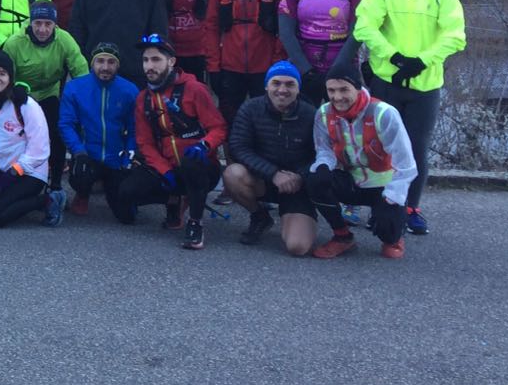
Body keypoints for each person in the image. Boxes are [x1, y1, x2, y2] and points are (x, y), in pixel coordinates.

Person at [353, 0, 465, 235]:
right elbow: (364, 25)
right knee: (379, 148)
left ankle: (410, 208)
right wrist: (394, 56)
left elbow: (455, 35)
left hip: (425, 84)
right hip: (386, 80)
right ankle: (381, 207)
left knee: (415, 149)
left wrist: (422, 60)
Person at [120, 36, 228, 250]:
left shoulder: (194, 89)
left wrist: (204, 145)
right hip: (168, 167)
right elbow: (145, 142)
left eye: (156, 60)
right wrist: (164, 170)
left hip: (200, 164)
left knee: (191, 165)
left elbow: (219, 128)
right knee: (126, 191)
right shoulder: (144, 98)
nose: (149, 66)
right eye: (145, 60)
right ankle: (174, 200)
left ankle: (195, 223)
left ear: (171, 62)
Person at [307, 64, 417, 259]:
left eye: (344, 90)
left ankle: (393, 235)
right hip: (349, 180)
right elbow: (323, 150)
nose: (337, 97)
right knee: (315, 179)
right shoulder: (323, 113)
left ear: (357, 88)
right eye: (331, 90)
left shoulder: (384, 113)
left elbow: (406, 164)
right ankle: (342, 237)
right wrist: (323, 166)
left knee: (389, 240)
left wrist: (392, 196)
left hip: (382, 186)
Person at [2, 0, 90, 222]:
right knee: (20, 138)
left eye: (48, 24)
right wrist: (14, 93)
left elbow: (81, 73)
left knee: (57, 134)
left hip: (50, 93)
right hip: (21, 95)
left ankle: (55, 185)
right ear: (30, 23)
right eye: (38, 23)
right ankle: (17, 179)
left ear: (55, 25)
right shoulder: (14, 43)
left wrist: (80, 102)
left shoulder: (65, 40)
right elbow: (2, 75)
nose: (42, 29)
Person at [223, 61, 317, 250]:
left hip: (297, 185)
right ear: (266, 85)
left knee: (297, 248)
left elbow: (322, 155)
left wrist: (300, 176)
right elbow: (238, 147)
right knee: (232, 173)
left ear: (299, 88)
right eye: (276, 83)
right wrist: (273, 174)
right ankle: (259, 216)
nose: (282, 90)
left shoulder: (311, 114)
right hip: (264, 179)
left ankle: (294, 217)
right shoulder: (250, 108)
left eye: (290, 84)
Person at [0, 50, 52, 229]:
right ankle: (4, 198)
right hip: (1, 166)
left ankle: (46, 201)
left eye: (2, 74)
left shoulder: (26, 105)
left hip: (30, 172)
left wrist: (14, 172)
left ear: (10, 78)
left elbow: (40, 150)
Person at [59, 42, 138, 217]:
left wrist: (129, 157)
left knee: (127, 216)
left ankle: (112, 188)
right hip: (88, 155)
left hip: (116, 158)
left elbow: (135, 129)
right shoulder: (75, 88)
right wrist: (78, 151)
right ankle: (83, 193)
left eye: (111, 62)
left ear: (118, 65)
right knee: (81, 175)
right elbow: (66, 124)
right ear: (92, 63)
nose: (105, 67)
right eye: (100, 61)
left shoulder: (130, 90)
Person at [215, 0, 284, 124]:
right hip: (230, 67)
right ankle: (231, 154)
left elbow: (284, 29)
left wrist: (277, 63)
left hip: (264, 67)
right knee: (228, 119)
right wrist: (213, 67)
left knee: (265, 120)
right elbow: (211, 28)